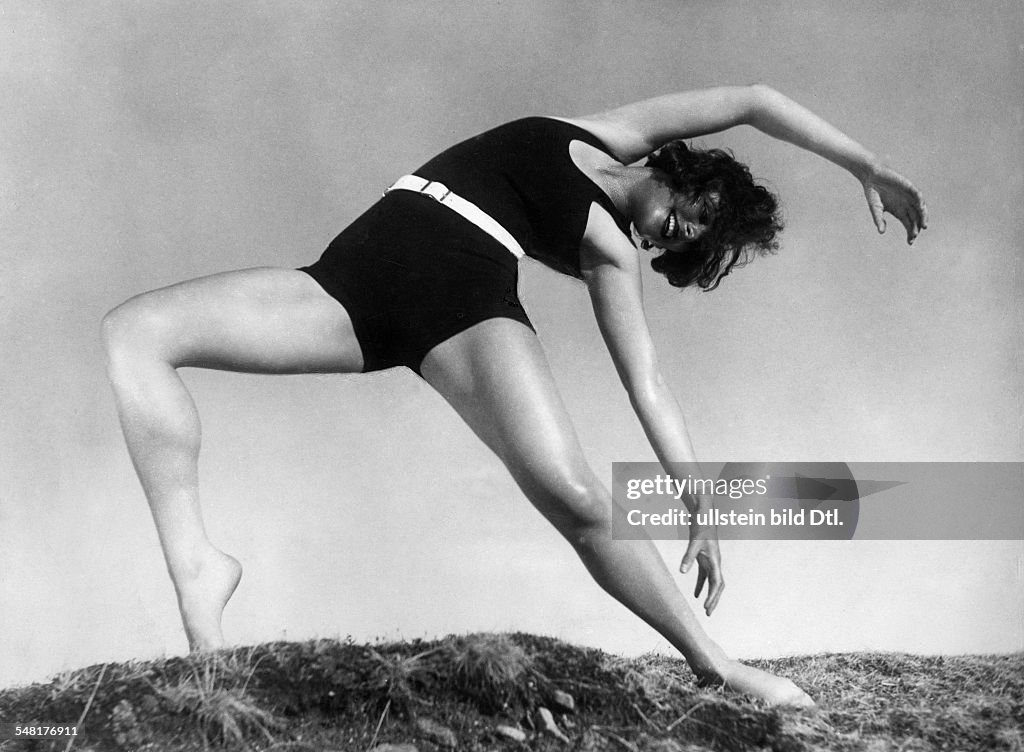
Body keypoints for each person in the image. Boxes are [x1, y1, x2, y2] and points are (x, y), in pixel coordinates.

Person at [102, 85, 927, 707]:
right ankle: (201, 579)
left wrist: (698, 502)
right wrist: (867, 164)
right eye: (703, 217)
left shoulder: (610, 251)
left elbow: (648, 383)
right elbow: (753, 98)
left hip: (461, 302)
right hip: (349, 280)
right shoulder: (607, 131)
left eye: (697, 248)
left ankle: (714, 662)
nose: (687, 236)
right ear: (689, 170)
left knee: (570, 494)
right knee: (136, 333)